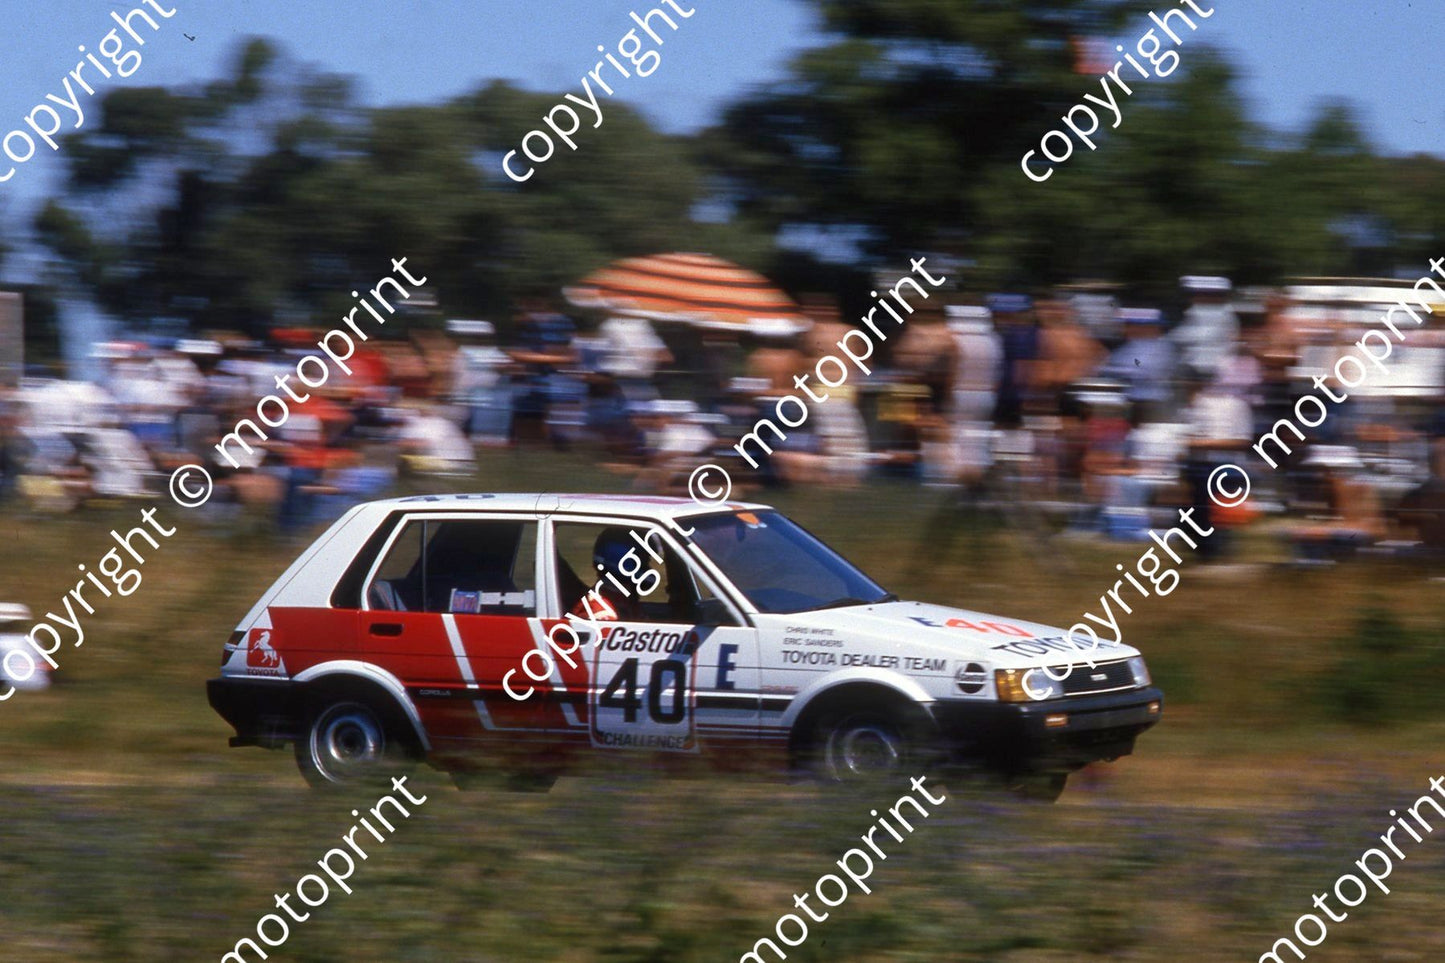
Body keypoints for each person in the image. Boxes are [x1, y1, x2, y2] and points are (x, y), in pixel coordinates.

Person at [1171, 275, 1238, 382]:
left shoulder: (1224, 314)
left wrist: (1178, 337)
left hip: (1214, 366)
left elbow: (1208, 335)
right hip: (1192, 365)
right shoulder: (1192, 312)